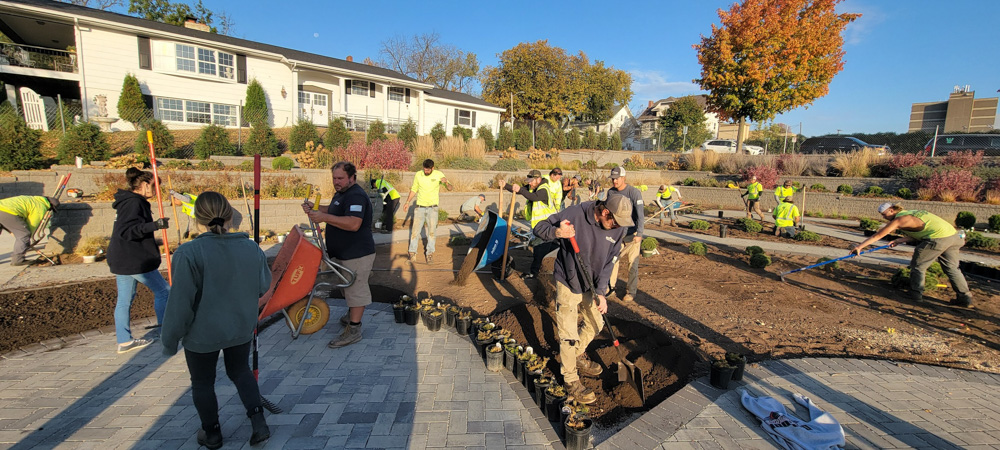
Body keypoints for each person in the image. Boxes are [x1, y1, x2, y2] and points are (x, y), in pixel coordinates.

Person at [161, 191, 271, 449]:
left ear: (198, 218)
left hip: (202, 334)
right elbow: (263, 285)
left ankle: (212, 434)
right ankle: (259, 424)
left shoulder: (189, 253)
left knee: (202, 382)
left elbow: (180, 304)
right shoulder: (250, 248)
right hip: (240, 328)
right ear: (230, 214)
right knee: (241, 371)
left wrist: (169, 341)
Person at [533, 195, 633, 404]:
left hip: (593, 284)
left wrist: (601, 293)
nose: (618, 227)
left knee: (596, 323)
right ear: (605, 212)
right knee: (568, 333)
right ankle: (571, 380)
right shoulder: (575, 214)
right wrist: (557, 232)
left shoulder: (618, 229)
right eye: (615, 221)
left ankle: (575, 355)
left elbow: (609, 263)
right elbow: (539, 228)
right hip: (568, 280)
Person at [302, 162, 375, 348]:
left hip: (357, 254)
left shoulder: (356, 196)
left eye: (341, 178)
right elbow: (336, 211)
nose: (336, 182)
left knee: (356, 290)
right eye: (334, 178)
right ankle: (351, 315)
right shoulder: (342, 194)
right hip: (344, 253)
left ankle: (354, 329)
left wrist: (323, 217)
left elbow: (353, 223)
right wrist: (317, 209)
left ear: (352, 177)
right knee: (348, 288)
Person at [851, 203, 973, 307]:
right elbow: (923, 230)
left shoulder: (899, 220)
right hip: (953, 236)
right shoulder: (912, 212)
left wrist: (859, 247)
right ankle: (965, 298)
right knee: (952, 268)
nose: (884, 217)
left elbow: (878, 235)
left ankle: (915, 294)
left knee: (918, 265)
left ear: (892, 210)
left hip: (938, 239)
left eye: (884, 214)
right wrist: (900, 240)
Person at [106, 168, 170, 354]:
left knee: (125, 300)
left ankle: (124, 341)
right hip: (134, 260)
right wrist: (155, 225)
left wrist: (152, 234)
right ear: (143, 185)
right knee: (164, 291)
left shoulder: (127, 202)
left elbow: (130, 230)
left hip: (124, 257)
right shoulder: (134, 203)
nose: (156, 191)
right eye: (154, 186)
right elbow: (127, 231)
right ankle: (165, 331)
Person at [499, 169, 560, 279]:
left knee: (539, 249)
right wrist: (506, 185)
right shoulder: (534, 187)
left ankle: (534, 272)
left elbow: (534, 197)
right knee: (551, 249)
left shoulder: (543, 189)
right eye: (529, 181)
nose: (529, 183)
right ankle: (550, 269)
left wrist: (521, 190)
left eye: (531, 181)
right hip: (545, 225)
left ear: (539, 179)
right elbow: (520, 190)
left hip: (547, 226)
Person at [607, 166, 644, 303]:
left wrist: (639, 233)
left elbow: (640, 215)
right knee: (613, 261)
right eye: (613, 179)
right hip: (616, 234)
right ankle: (610, 288)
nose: (614, 181)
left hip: (631, 234)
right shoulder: (611, 192)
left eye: (617, 179)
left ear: (624, 178)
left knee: (632, 264)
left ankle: (631, 291)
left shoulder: (634, 193)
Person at [404, 159, 452, 264]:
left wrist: (446, 183)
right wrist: (407, 202)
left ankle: (429, 254)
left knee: (432, 232)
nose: (426, 171)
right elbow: (414, 189)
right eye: (424, 169)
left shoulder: (439, 175)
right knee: (415, 232)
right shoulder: (418, 175)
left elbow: (450, 188)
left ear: (432, 168)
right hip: (420, 207)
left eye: (428, 170)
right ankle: (412, 254)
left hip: (433, 208)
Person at [0, 195, 58, 266]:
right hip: (6, 212)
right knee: (24, 234)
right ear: (50, 206)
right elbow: (32, 224)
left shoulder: (34, 200)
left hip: (3, 208)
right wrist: (27, 240)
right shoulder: (41, 206)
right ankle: (18, 259)